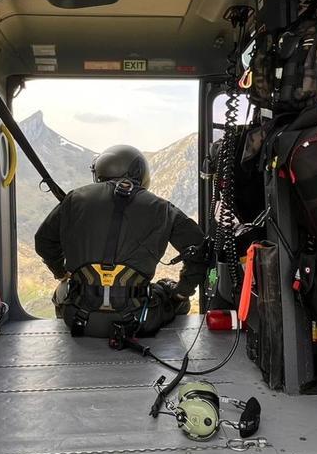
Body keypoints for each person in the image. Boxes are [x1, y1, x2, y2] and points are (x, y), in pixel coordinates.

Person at [34, 144, 206, 338]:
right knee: (173, 294)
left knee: (62, 290)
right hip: (139, 319)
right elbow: (199, 249)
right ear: (139, 171)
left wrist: (61, 272)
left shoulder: (74, 199)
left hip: (78, 318)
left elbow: (43, 241)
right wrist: (182, 291)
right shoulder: (161, 207)